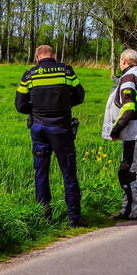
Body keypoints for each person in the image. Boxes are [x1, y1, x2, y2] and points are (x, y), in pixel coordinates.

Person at [16, 45, 86, 227]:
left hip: (39, 127)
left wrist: (36, 110)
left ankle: (44, 217)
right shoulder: (66, 71)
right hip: (61, 127)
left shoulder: (29, 75)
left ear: (37, 58)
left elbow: (19, 105)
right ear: (53, 56)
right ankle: (74, 218)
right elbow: (80, 96)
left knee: (41, 173)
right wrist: (64, 105)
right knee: (68, 173)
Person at [102, 49, 137, 220]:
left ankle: (129, 210)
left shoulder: (128, 78)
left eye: (120, 62)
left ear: (125, 61)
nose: (120, 65)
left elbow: (128, 107)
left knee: (126, 171)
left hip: (134, 130)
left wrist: (116, 129)